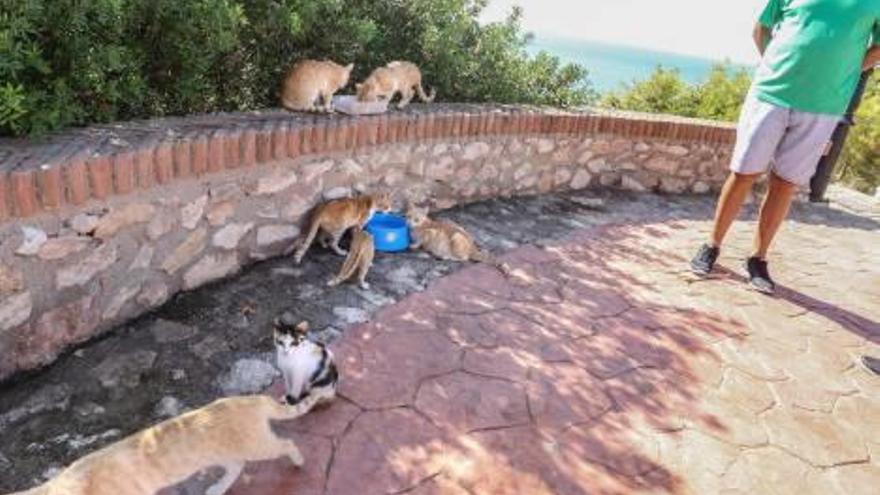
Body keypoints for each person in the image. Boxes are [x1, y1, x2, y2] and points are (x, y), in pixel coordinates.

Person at [691, 0, 880, 293]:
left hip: (825, 103)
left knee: (785, 182)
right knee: (744, 172)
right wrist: (775, 67)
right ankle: (711, 244)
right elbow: (762, 28)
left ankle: (757, 258)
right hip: (770, 93)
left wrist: (846, 69)